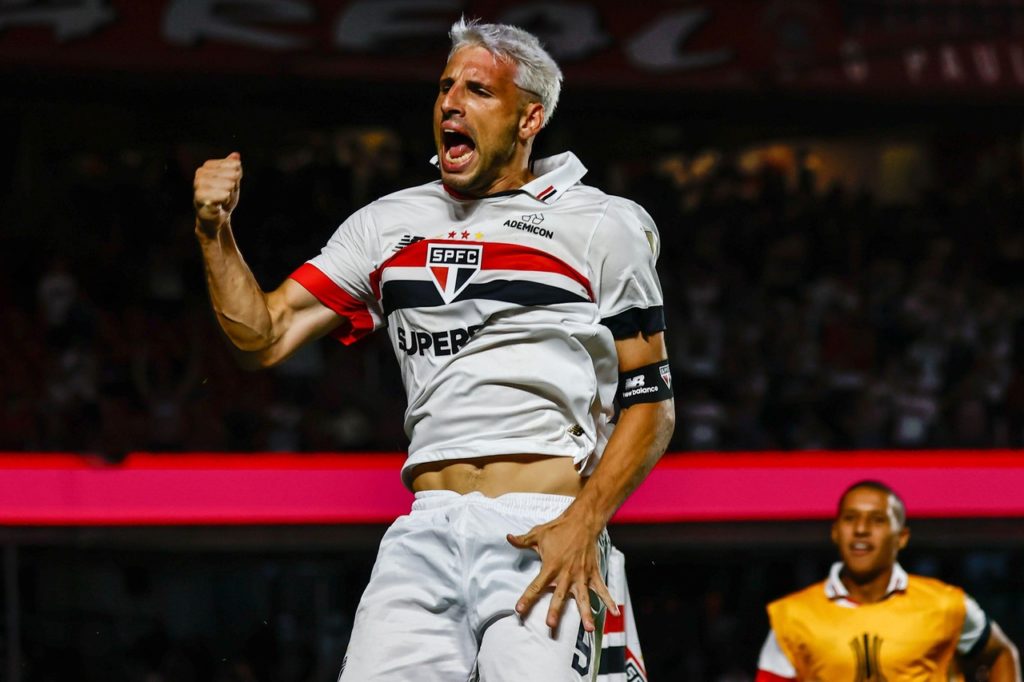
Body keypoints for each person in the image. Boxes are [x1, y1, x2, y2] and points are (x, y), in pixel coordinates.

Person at [192, 17, 673, 681]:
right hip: (426, 528)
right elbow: (262, 338)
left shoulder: (599, 224)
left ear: (529, 118)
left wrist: (583, 524)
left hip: (546, 526)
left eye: (478, 89)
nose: (451, 102)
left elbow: (652, 405)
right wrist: (214, 232)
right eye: (446, 86)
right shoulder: (385, 225)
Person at [756, 480, 1021, 681]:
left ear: (902, 537)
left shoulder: (946, 605)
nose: (861, 529)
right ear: (836, 532)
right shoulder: (792, 616)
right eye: (850, 519)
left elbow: (999, 653)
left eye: (877, 520)